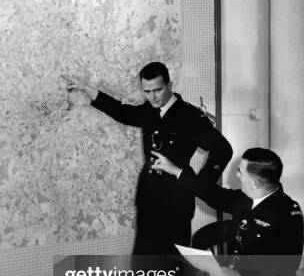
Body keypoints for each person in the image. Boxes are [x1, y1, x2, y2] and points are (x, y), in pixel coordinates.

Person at [62, 62, 233, 255]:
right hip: (149, 198)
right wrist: (87, 89)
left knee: (172, 268)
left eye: (158, 90)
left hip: (176, 202)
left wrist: (199, 184)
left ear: (170, 85)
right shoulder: (149, 110)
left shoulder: (189, 116)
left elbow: (223, 149)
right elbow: (122, 111)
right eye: (147, 91)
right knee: (143, 263)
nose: (153, 97)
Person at [151, 147, 304, 276]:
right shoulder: (245, 198)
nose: (237, 175)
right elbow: (211, 194)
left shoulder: (288, 213)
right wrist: (175, 170)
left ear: (256, 183)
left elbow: (287, 268)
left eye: (241, 172)